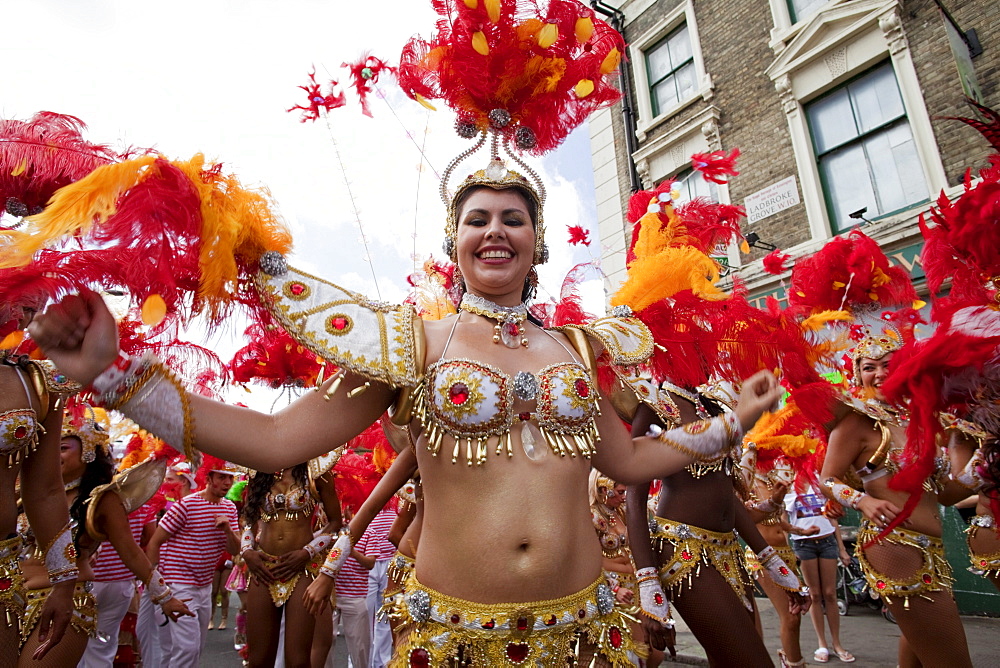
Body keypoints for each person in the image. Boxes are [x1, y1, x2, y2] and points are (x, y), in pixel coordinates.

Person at [820, 336, 973, 667]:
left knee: (920, 646)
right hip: (895, 546)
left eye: (888, 364)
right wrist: (862, 501)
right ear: (857, 374)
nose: (879, 374)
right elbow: (827, 480)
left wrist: (982, 468)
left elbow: (946, 493)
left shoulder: (919, 420)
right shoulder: (856, 422)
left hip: (932, 548)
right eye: (868, 367)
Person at [0, 298, 77, 664]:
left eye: (32, 306)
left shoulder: (36, 379)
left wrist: (64, 582)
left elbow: (46, 489)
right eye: (16, 301)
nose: (24, 315)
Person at [239, 463, 341, 668]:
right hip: (263, 567)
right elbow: (249, 520)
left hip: (302, 569)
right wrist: (247, 551)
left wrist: (307, 552)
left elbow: (335, 523)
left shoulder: (317, 473)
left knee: (297, 661)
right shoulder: (258, 471)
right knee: (258, 660)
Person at [145, 456, 240, 668]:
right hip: (177, 583)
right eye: (222, 477)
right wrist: (155, 586)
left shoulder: (230, 508)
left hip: (203, 586)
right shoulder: (185, 506)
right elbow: (155, 543)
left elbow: (235, 550)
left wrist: (227, 530)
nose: (227, 483)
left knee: (194, 648)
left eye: (230, 478)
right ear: (208, 477)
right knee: (186, 648)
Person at [590, 472, 662, 668]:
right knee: (634, 651)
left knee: (654, 652)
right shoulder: (591, 516)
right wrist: (614, 590)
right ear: (604, 489)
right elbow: (588, 561)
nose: (624, 496)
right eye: (620, 492)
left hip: (634, 588)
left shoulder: (622, 513)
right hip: (614, 591)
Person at [784, 481, 853, 664]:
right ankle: (822, 644)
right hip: (803, 543)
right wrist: (786, 549)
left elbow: (833, 518)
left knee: (830, 593)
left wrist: (842, 549)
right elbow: (784, 519)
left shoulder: (819, 481)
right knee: (813, 594)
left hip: (827, 541)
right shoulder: (788, 483)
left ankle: (837, 644)